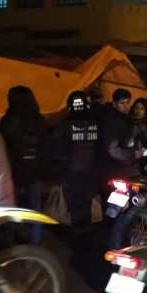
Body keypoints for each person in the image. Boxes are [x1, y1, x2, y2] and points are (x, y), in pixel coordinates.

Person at [0, 86, 46, 243]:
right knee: (35, 208)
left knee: (12, 208)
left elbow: (3, 146)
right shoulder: (40, 121)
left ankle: (11, 243)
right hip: (35, 170)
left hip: (14, 171)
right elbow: (46, 146)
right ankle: (35, 244)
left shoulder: (7, 121)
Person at [52, 90, 99, 233]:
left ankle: (77, 232)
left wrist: (59, 171)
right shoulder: (96, 122)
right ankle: (86, 229)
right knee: (86, 201)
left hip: (71, 171)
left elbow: (58, 149)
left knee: (74, 203)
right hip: (91, 170)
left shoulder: (64, 124)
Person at [98, 88, 146, 194]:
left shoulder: (124, 119)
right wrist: (132, 154)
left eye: (128, 102)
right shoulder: (111, 120)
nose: (126, 106)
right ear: (114, 104)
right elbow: (112, 149)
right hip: (113, 169)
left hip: (118, 167)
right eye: (122, 103)